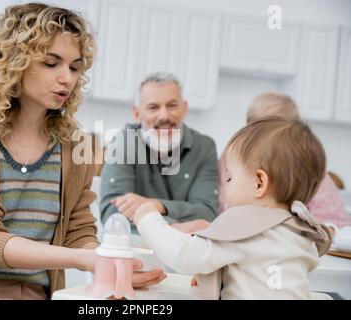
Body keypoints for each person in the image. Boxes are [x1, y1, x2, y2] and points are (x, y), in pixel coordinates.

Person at [0, 3, 164, 300]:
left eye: (75, 67)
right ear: (14, 61)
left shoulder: (78, 144)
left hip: (22, 292)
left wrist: (111, 264)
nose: (67, 77)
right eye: (51, 63)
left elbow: (78, 231)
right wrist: (82, 259)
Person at [129, 118, 332, 299]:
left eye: (230, 177)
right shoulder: (299, 230)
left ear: (259, 183)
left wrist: (149, 219)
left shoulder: (248, 223)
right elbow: (257, 270)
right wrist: (214, 278)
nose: (225, 185)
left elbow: (184, 255)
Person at [99, 72, 218, 235]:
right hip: (138, 248)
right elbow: (113, 214)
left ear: (184, 109)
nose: (164, 116)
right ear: (137, 114)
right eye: (153, 107)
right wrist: (172, 229)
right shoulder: (124, 143)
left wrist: (156, 205)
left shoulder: (204, 147)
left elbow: (207, 213)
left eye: (172, 105)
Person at [218, 91, 351, 229]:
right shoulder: (230, 161)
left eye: (277, 132)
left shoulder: (309, 169)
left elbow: (337, 225)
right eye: (259, 131)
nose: (268, 140)